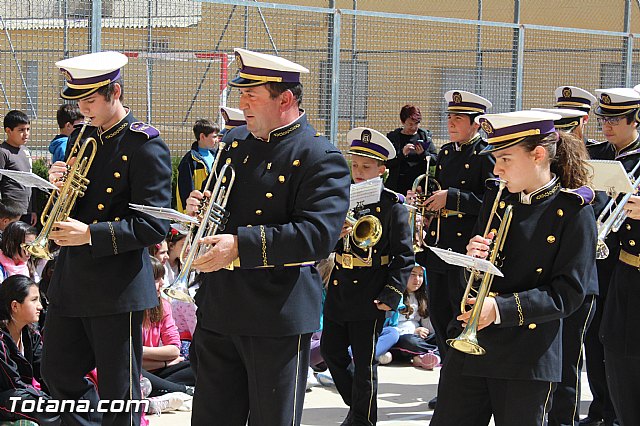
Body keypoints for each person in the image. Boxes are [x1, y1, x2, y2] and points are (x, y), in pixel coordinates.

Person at [184, 47, 351, 426]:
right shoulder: (236, 144)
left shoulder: (320, 156)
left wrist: (239, 246)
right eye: (241, 95)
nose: (242, 105)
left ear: (286, 99)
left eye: (251, 97)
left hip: (275, 313)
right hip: (221, 306)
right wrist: (202, 210)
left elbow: (317, 235)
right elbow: (223, 209)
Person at [430, 110, 597, 426]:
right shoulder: (498, 197)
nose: (497, 168)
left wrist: (501, 308)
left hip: (527, 356)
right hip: (472, 345)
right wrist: (472, 259)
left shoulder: (573, 212)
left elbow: (569, 294)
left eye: (505, 159)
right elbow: (480, 275)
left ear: (537, 155)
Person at [40, 51, 172, 426]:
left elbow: (154, 225)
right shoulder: (82, 135)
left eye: (90, 100)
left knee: (120, 390)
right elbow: (73, 205)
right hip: (72, 279)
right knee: (57, 371)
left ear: (114, 91)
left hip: (116, 285)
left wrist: (91, 235)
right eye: (78, 101)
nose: (83, 109)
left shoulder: (144, 144)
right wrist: (60, 187)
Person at [320, 127, 413, 425]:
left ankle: (362, 418)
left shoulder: (392, 206)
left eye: (366, 166)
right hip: (340, 286)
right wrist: (336, 233)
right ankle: (360, 407)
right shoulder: (340, 199)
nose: (358, 172)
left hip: (372, 290)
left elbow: (404, 256)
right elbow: (323, 242)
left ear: (382, 170)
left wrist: (392, 294)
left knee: (364, 362)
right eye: (355, 165)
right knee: (330, 351)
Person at [418, 90, 495, 409]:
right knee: (439, 318)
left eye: (458, 118)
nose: (450, 123)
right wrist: (422, 197)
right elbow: (434, 190)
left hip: (464, 252)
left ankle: (463, 390)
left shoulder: (486, 155)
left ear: (476, 123)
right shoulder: (445, 153)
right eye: (449, 117)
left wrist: (454, 199)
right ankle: (449, 386)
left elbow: (491, 205)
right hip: (438, 247)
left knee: (457, 319)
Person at [531, 107, 601, 426]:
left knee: (567, 361)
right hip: (552, 287)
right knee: (557, 362)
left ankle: (563, 420)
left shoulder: (580, 192)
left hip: (577, 289)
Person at [598, 87, 640, 426]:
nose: (606, 126)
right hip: (623, 273)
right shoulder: (605, 155)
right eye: (604, 119)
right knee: (616, 358)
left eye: (614, 119)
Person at [0, 275, 60, 425]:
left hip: (22, 394)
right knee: (40, 407)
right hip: (7, 397)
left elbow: (45, 371)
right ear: (15, 306)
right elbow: (13, 385)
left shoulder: (31, 334)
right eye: (34, 300)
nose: (40, 306)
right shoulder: (1, 339)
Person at [141, 257, 195, 397]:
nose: (163, 283)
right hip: (141, 370)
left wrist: (141, 352)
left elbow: (174, 350)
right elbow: (129, 359)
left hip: (156, 370)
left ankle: (163, 389)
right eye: (157, 279)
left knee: (196, 367)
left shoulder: (163, 305)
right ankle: (182, 390)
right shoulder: (128, 311)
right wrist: (164, 362)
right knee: (131, 372)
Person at [389, 264, 440, 369]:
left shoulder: (422, 298)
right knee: (409, 342)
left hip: (419, 337)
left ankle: (423, 357)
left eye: (420, 275)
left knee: (441, 337)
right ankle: (437, 354)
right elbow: (389, 327)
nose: (417, 279)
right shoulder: (394, 296)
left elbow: (427, 323)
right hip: (401, 337)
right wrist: (414, 331)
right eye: (412, 274)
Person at [386, 104, 437, 195]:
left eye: (416, 123)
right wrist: (402, 154)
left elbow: (435, 160)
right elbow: (387, 163)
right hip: (398, 185)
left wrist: (423, 154)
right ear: (403, 122)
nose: (413, 127)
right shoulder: (394, 138)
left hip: (419, 185)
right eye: (410, 124)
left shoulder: (425, 136)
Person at [175, 119, 220, 213]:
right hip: (197, 214)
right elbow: (183, 193)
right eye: (214, 137)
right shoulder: (189, 161)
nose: (217, 140)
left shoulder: (217, 155)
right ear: (202, 136)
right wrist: (188, 217)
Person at [0, 110, 35, 225]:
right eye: (21, 130)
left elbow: (31, 182)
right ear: (8, 131)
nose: (26, 134)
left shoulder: (26, 151)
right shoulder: (3, 152)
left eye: (28, 129)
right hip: (10, 213)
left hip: (26, 211)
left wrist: (32, 210)